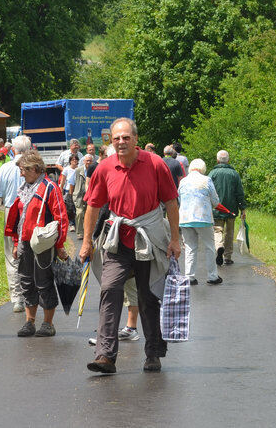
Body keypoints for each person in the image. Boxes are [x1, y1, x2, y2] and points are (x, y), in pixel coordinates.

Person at [79, 117, 181, 375]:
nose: (121, 142)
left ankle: (154, 353)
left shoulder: (155, 163)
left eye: (126, 137)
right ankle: (104, 355)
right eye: (116, 138)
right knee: (110, 289)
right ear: (111, 142)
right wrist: (87, 241)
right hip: (118, 241)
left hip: (149, 238)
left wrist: (175, 239)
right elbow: (92, 205)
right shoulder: (105, 167)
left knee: (148, 297)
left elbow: (170, 202)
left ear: (136, 139)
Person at [5, 151, 69, 337]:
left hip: (43, 244)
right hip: (25, 242)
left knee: (44, 282)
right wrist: (17, 243)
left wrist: (59, 245)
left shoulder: (50, 187)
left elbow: (61, 217)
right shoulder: (24, 188)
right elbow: (19, 220)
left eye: (23, 170)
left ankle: (48, 324)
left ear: (35, 169)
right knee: (26, 280)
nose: (21, 174)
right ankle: (29, 322)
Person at [0, 135, 32, 313]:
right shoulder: (34, 166)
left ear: (13, 149)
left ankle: (17, 298)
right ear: (29, 149)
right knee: (30, 253)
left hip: (11, 212)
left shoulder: (6, 167)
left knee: (11, 255)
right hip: (31, 212)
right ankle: (31, 294)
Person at [178, 158, 222, 285]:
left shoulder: (183, 181)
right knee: (209, 247)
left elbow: (180, 198)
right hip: (203, 218)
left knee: (190, 248)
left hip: (185, 219)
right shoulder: (206, 180)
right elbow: (215, 201)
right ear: (203, 168)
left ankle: (189, 276)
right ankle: (212, 276)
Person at [210, 149, 246, 266]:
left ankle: (219, 246)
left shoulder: (212, 174)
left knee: (217, 230)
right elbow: (239, 193)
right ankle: (228, 256)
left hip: (217, 208)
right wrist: (243, 209)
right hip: (231, 209)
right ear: (228, 160)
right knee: (229, 233)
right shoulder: (234, 174)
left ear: (217, 160)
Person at [72, 153, 91, 238]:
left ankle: (88, 232)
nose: (88, 162)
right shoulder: (78, 170)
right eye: (87, 161)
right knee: (79, 213)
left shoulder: (94, 170)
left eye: (90, 161)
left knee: (88, 214)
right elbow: (72, 183)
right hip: (79, 196)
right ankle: (79, 232)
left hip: (89, 196)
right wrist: (71, 194)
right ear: (83, 161)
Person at [61, 154, 78, 223]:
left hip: (77, 190)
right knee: (69, 207)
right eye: (73, 160)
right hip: (68, 190)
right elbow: (63, 180)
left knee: (76, 207)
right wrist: (61, 190)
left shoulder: (79, 169)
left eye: (76, 159)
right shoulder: (66, 169)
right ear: (70, 161)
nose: (74, 161)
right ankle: (71, 223)